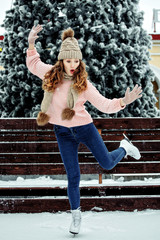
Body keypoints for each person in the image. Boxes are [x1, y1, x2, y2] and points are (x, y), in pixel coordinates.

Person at [26, 24, 142, 235]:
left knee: (107, 163)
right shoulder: (50, 74)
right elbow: (33, 63)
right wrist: (31, 41)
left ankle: (124, 148)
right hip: (63, 132)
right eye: (69, 60)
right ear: (62, 60)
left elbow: (105, 105)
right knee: (73, 176)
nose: (73, 64)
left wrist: (124, 101)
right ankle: (76, 216)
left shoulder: (83, 84)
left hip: (85, 128)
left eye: (76, 60)